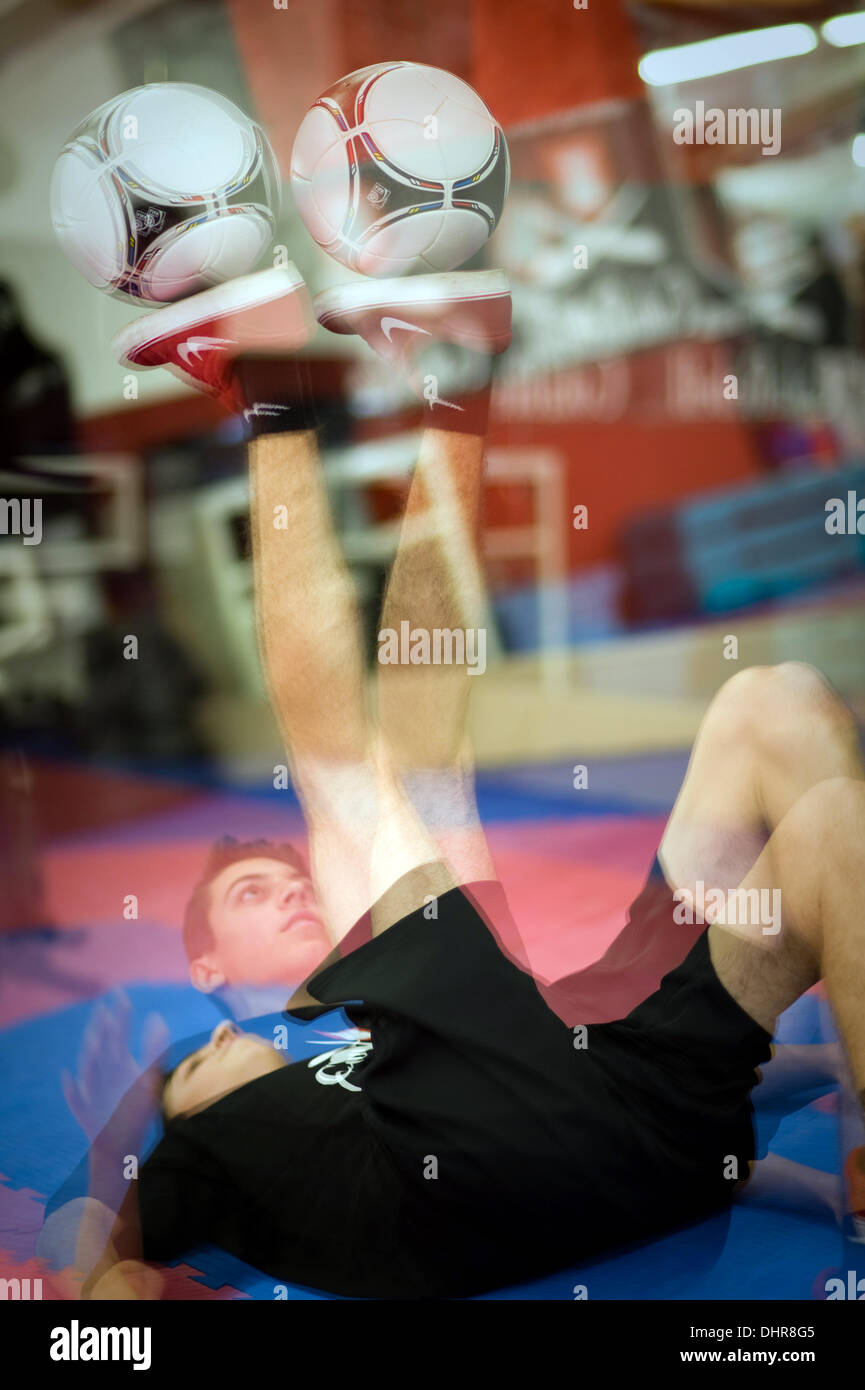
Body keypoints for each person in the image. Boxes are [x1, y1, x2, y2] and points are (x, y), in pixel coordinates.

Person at [40, 265, 865, 1300]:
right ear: (205, 970)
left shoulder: (375, 1031)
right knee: (357, 784)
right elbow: (99, 1260)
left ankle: (452, 369)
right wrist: (121, 1154)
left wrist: (807, 1111)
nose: (212, 1042)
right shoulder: (203, 1154)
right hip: (483, 1178)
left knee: (779, 711)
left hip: (647, 1106)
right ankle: (288, 388)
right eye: (251, 893)